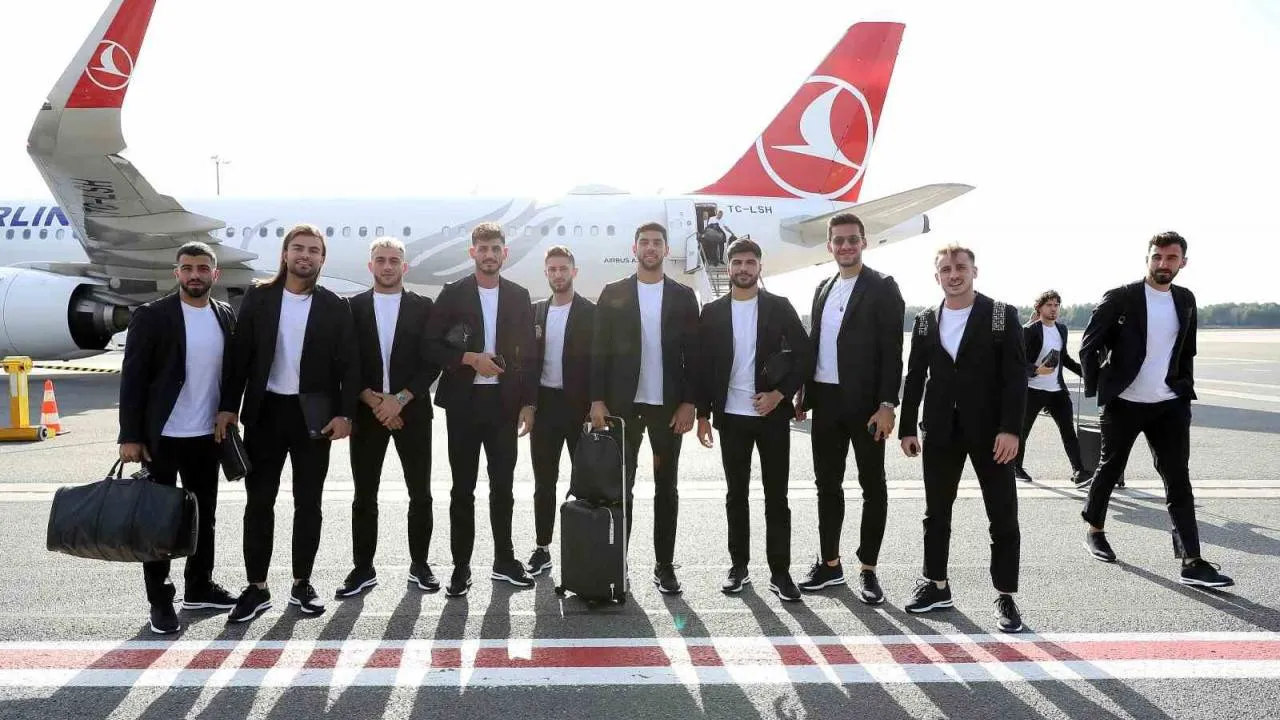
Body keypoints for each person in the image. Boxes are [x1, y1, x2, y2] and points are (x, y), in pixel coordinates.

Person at [217, 223, 360, 624]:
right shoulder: (259, 297)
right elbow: (240, 357)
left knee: (308, 503)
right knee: (259, 502)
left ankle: (302, 583)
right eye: (298, 248)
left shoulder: (335, 306)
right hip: (265, 413)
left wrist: (345, 414)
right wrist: (228, 407)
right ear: (285, 254)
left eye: (314, 250)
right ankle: (257, 587)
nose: (305, 255)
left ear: (322, 258)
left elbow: (350, 365)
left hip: (314, 417)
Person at [1078, 232, 1233, 588]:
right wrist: (1100, 388)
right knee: (1110, 468)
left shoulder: (1185, 299)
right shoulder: (1121, 297)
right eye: (1157, 257)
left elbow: (1187, 348)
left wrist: (1182, 388)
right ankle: (1095, 530)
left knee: (1178, 478)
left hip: (1169, 404)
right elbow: (1088, 346)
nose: (1163, 264)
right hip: (1124, 403)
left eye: (1171, 258)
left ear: (1183, 262)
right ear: (1147, 258)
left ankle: (1191, 561)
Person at [898, 244, 1027, 633]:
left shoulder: (1001, 315)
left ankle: (1005, 595)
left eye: (960, 267)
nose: (953, 275)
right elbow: (915, 376)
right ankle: (937, 585)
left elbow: (1015, 377)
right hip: (940, 429)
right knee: (936, 513)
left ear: (974, 271)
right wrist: (907, 427)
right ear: (936, 275)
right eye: (946, 269)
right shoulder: (925, 321)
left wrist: (1011, 429)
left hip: (992, 433)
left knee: (1002, 515)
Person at [118, 242, 237, 634]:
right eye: (187, 268)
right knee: (158, 522)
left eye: (202, 268)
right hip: (162, 438)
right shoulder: (152, 316)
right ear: (177, 273)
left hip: (206, 436)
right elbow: (133, 378)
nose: (194, 275)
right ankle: (160, 599)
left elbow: (232, 372)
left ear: (215, 274)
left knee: (203, 517)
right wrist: (130, 435)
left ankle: (199, 586)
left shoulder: (224, 315)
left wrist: (229, 410)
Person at [794, 212, 905, 605]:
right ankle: (830, 564)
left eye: (852, 239)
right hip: (826, 402)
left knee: (872, 486)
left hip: (867, 406)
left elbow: (893, 351)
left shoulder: (882, 287)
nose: (845, 246)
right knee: (827, 485)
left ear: (864, 242)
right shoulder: (823, 288)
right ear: (829, 245)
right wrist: (803, 393)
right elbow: (816, 343)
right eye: (838, 240)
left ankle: (868, 569)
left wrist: (887, 404)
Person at [425, 222, 538, 597]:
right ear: (472, 252)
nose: (489, 255)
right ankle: (461, 567)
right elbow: (431, 346)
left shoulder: (519, 296)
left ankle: (504, 560)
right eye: (483, 249)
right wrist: (470, 358)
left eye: (495, 248)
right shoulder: (453, 293)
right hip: (464, 404)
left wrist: (529, 402)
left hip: (504, 405)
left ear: (505, 253)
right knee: (462, 489)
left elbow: (529, 354)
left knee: (503, 487)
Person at [695, 239, 811, 601]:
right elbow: (701, 368)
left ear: (760, 267)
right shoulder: (712, 312)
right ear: (728, 267)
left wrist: (780, 394)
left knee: (777, 496)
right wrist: (702, 414)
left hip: (771, 416)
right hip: (731, 418)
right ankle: (739, 567)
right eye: (737, 263)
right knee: (736, 496)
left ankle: (780, 572)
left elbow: (805, 355)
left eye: (750, 262)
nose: (743, 268)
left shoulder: (779, 306)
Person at [590, 221, 700, 594]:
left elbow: (693, 356)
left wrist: (690, 403)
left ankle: (664, 565)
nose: (650, 248)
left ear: (666, 250)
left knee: (667, 488)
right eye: (644, 242)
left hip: (667, 409)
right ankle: (617, 565)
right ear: (634, 249)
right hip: (623, 407)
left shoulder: (683, 296)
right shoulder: (613, 293)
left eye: (656, 242)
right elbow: (598, 351)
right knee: (621, 489)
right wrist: (596, 399)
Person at [337, 237, 442, 598]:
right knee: (364, 495)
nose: (387, 266)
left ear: (404, 266)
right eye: (380, 260)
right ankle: (362, 568)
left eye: (394, 260)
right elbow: (347, 362)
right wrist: (375, 402)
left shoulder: (423, 307)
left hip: (412, 412)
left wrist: (399, 400)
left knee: (421, 494)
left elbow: (431, 362)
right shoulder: (352, 307)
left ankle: (420, 564)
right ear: (371, 266)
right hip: (367, 413)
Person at [525, 246, 596, 576]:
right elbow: (526, 364)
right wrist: (527, 404)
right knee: (544, 482)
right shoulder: (536, 312)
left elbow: (600, 363)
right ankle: (542, 548)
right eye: (552, 269)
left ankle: (586, 550)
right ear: (546, 273)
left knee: (586, 483)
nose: (558, 274)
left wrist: (597, 402)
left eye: (563, 268)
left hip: (580, 409)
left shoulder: (591, 313)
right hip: (545, 408)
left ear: (573, 272)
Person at [1014, 290, 1088, 485]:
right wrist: (1036, 370)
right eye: (1049, 305)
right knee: (1023, 431)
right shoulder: (1030, 331)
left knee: (1068, 431)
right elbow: (1018, 360)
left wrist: (1086, 373)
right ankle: (1016, 467)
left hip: (1057, 391)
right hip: (1033, 390)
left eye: (1056, 305)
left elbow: (1064, 358)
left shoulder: (1061, 329)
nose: (1053, 309)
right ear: (1039, 308)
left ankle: (1079, 471)